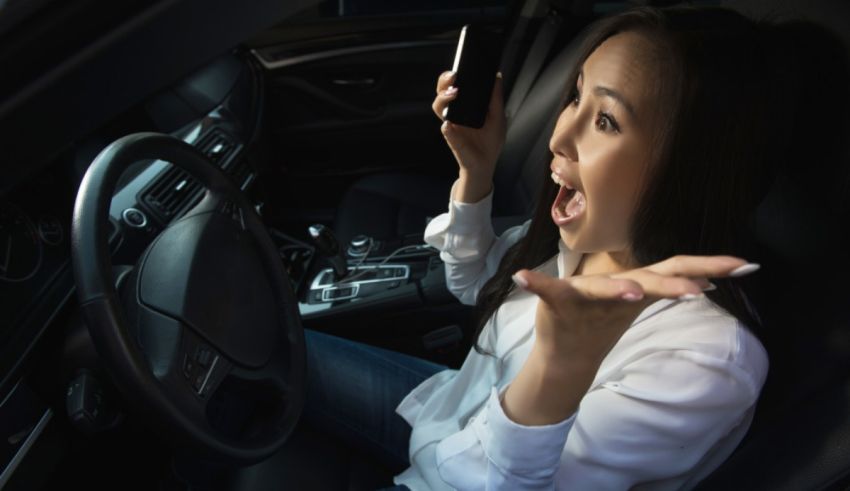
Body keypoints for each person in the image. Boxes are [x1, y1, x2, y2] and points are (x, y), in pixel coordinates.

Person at [303, 5, 795, 490]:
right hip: (447, 418)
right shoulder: (592, 239)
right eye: (576, 97)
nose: (559, 136)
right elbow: (474, 283)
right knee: (274, 345)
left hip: (464, 474)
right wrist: (476, 172)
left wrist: (560, 368)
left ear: (689, 170)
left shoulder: (703, 361)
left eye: (606, 121)